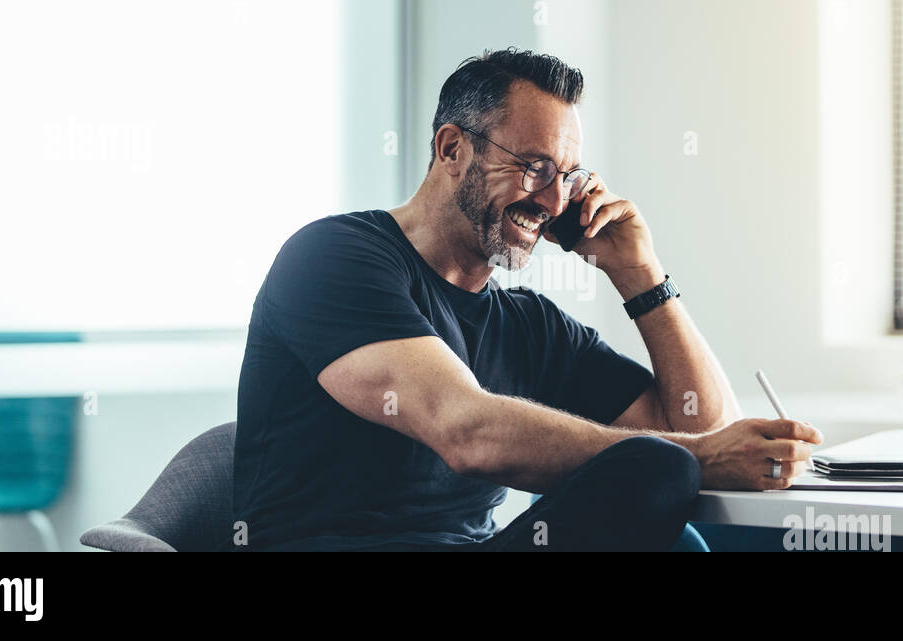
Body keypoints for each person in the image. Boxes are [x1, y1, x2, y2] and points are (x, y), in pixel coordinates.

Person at [232, 48, 822, 551]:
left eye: (568, 176)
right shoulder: (334, 257)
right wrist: (695, 457)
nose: (552, 199)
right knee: (662, 464)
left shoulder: (531, 325)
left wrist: (642, 277)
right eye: (534, 167)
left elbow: (702, 429)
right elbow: (464, 429)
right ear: (451, 148)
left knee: (661, 473)